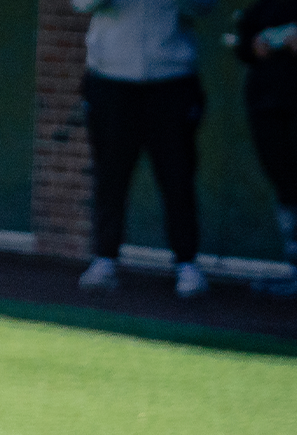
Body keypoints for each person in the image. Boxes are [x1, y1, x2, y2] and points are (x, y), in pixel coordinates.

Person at [74, 0, 218, 299]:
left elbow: (204, 6)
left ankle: (186, 264)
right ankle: (105, 259)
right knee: (110, 176)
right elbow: (82, 3)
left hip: (172, 80)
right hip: (110, 80)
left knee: (177, 176)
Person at [234, 0, 297, 298]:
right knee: (286, 185)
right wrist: (253, 45)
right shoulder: (264, 7)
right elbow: (243, 43)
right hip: (268, 105)